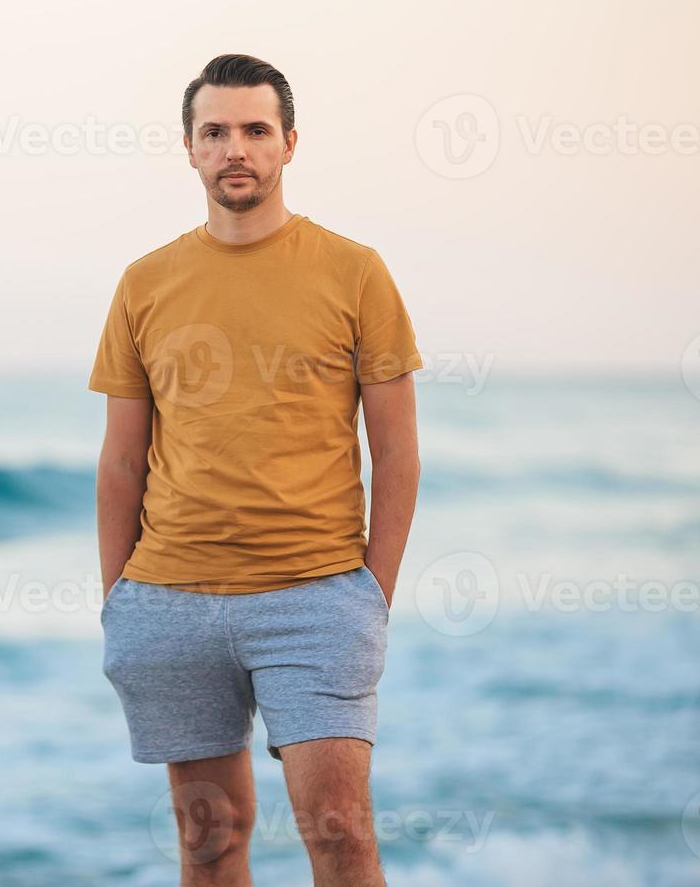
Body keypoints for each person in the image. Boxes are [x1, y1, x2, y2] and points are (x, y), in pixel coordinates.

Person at [89, 54, 423, 887]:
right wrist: (119, 599)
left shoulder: (355, 271)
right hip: (169, 601)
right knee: (210, 844)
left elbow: (396, 450)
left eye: (254, 130)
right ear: (191, 149)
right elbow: (124, 456)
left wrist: (371, 592)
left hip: (316, 598)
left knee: (341, 836)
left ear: (289, 143)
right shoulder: (145, 282)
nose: (235, 148)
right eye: (216, 132)